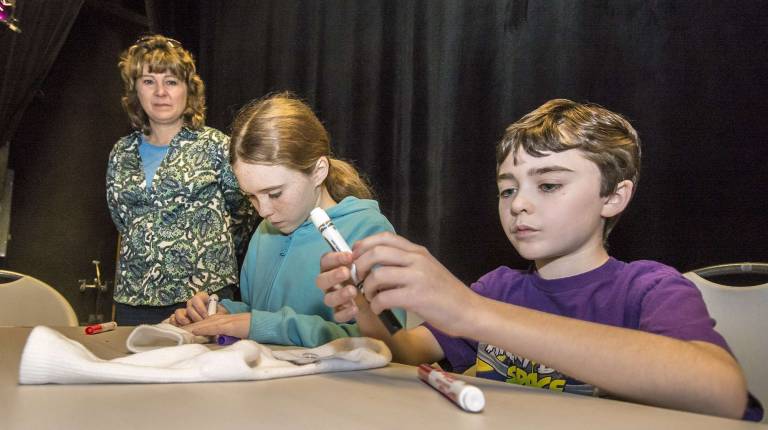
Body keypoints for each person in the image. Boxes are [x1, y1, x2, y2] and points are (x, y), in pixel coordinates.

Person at [316, 99, 762, 420]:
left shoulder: (649, 288)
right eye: (508, 189)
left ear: (614, 195)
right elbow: (408, 354)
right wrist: (366, 310)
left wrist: (473, 313)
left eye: (547, 185)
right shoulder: (500, 287)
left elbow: (721, 393)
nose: (518, 205)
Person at [170, 92, 404, 347]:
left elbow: (387, 343)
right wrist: (223, 313)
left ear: (318, 172)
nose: (263, 211)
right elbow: (258, 308)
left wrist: (258, 325)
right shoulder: (264, 233)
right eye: (251, 197)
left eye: (275, 193)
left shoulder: (368, 231)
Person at [106, 35, 256, 325]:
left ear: (189, 90)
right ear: (135, 91)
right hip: (134, 298)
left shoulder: (216, 145)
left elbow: (243, 212)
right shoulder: (120, 152)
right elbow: (122, 221)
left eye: (171, 81)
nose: (160, 91)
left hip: (200, 298)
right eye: (149, 81)